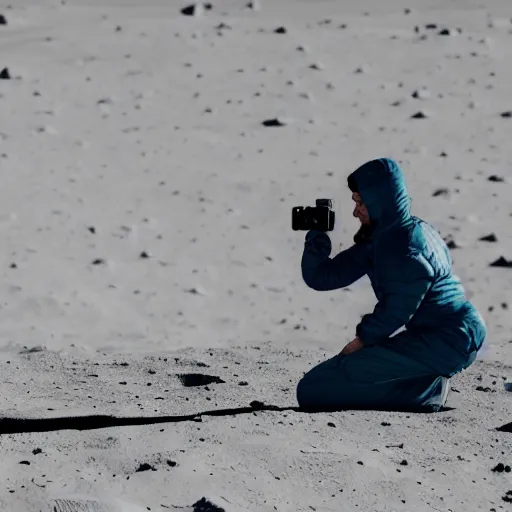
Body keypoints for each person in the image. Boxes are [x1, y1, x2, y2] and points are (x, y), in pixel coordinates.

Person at [296, 157, 487, 413]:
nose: (355, 212)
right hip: (443, 336)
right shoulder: (388, 237)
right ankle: (424, 386)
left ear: (378, 202)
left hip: (449, 339)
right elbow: (323, 277)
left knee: (314, 388)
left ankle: (427, 392)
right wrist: (316, 240)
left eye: (360, 203)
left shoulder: (404, 247)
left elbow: (399, 305)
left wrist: (363, 341)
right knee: (326, 381)